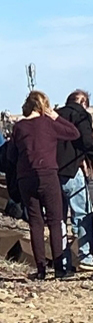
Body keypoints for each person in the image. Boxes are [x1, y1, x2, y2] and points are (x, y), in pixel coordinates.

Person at [8, 90, 80, 280]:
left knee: (36, 223)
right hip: (48, 175)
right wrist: (56, 117)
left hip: (26, 178)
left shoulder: (19, 127)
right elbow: (74, 133)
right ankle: (59, 269)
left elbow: (11, 156)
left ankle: (40, 269)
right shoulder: (48, 123)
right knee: (56, 221)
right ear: (44, 106)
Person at [56, 90, 93, 271]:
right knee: (82, 214)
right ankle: (85, 256)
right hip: (73, 170)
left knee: (59, 219)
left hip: (53, 172)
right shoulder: (81, 115)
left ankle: (63, 262)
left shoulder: (54, 116)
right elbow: (87, 142)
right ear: (83, 102)